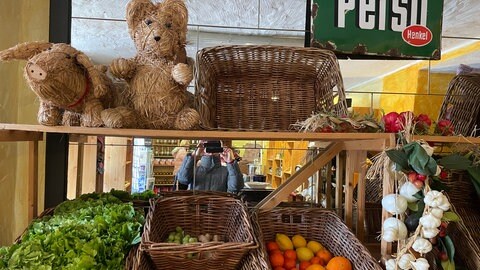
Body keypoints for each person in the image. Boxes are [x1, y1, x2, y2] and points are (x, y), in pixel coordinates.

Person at [176, 140, 244, 193]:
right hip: (196, 208)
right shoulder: (194, 169)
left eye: (215, 146)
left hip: (220, 209)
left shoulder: (226, 170)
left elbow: (236, 187)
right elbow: (182, 179)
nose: (211, 149)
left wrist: (230, 162)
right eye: (208, 146)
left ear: (220, 149)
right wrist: (194, 156)